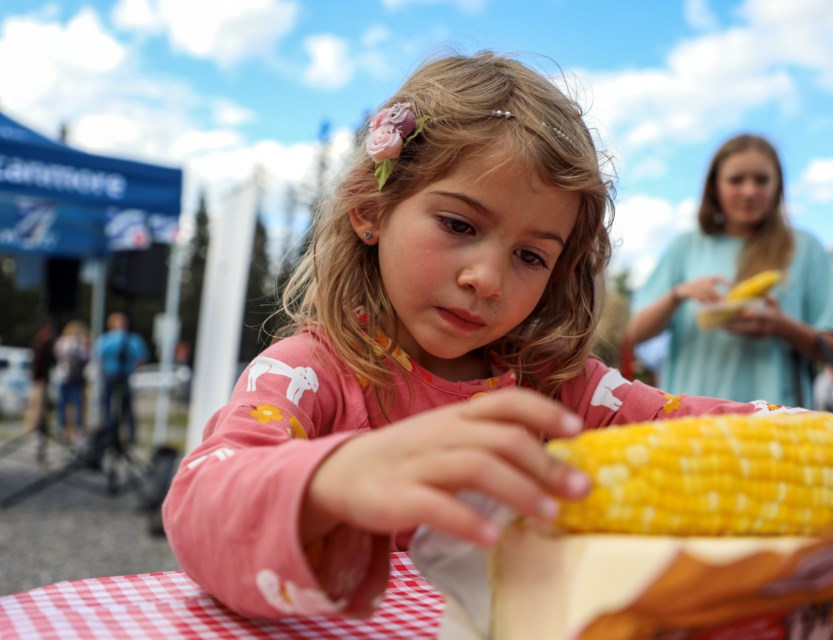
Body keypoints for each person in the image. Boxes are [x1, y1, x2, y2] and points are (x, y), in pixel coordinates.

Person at [162, 51, 777, 620]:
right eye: (459, 223)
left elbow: (696, 427)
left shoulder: (559, 388)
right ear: (371, 210)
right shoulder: (308, 373)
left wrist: (806, 430)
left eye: (531, 257)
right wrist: (333, 478)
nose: (486, 279)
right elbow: (201, 501)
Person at [621, 133, 833, 407]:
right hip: (690, 420)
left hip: (778, 423)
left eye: (761, 180)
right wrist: (677, 295)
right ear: (714, 187)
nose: (750, 191)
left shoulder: (805, 248)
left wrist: (781, 326)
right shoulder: (686, 247)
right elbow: (633, 333)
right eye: (736, 180)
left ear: (778, 185)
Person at [94, 311, 148, 449]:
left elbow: (140, 357)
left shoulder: (129, 339)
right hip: (114, 375)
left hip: (121, 376)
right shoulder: (110, 339)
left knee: (124, 405)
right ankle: (112, 433)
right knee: (111, 405)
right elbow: (98, 356)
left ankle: (125, 435)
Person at [23, 318, 57, 461]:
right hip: (40, 379)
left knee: (40, 406)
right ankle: (33, 426)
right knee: (36, 405)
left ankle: (37, 425)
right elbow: (41, 363)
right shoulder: (41, 345)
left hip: (41, 379)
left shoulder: (41, 344)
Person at [53, 319, 91, 444]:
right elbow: (86, 358)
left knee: (63, 405)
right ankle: (77, 432)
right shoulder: (77, 343)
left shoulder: (60, 342)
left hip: (63, 376)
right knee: (77, 405)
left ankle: (63, 430)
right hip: (75, 377)